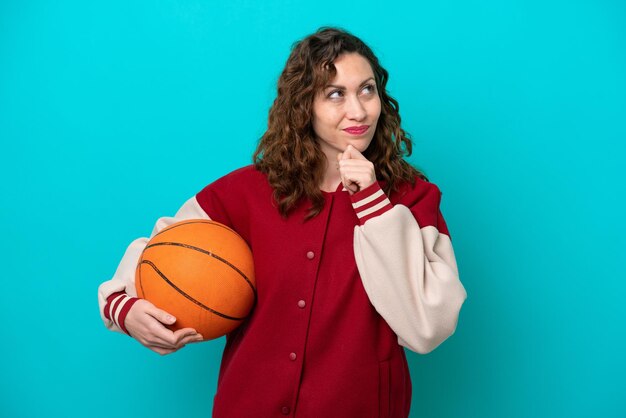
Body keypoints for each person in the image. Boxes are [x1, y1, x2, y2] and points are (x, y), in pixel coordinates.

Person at [98, 27, 467, 418]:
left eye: (367, 89)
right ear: (303, 103)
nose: (358, 111)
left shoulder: (413, 197)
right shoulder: (247, 192)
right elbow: (161, 251)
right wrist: (125, 308)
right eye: (335, 94)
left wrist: (372, 202)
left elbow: (429, 325)